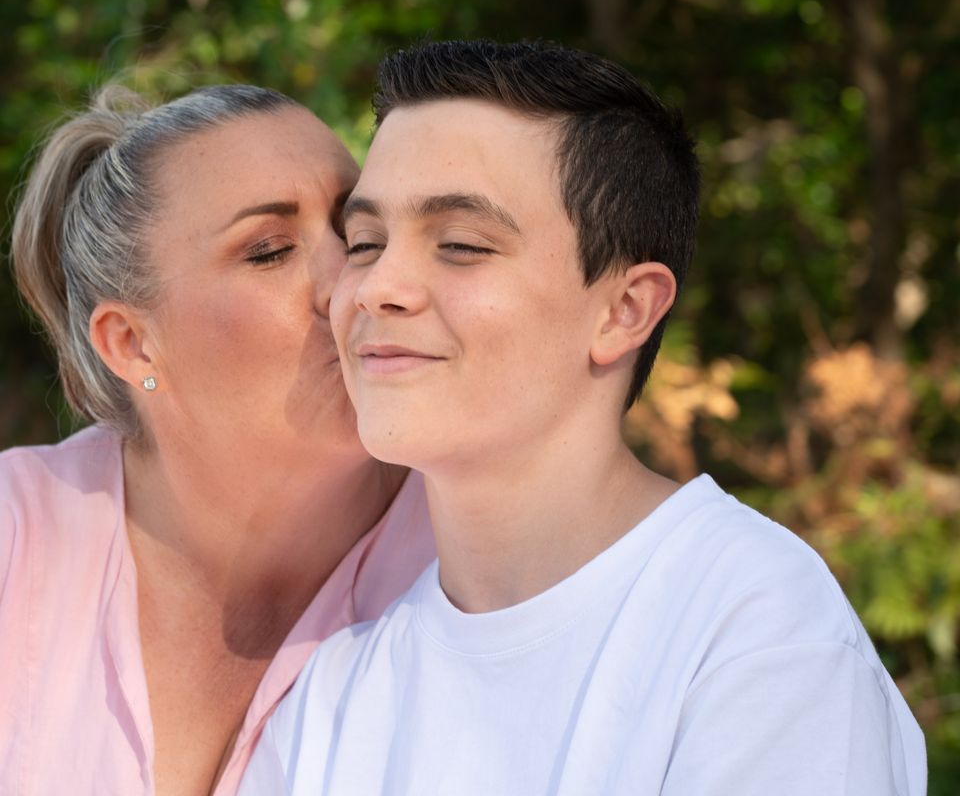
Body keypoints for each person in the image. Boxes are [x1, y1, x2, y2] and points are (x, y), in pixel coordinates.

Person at [240, 39, 926, 795]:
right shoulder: (330, 699)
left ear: (624, 310)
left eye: (461, 245)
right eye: (366, 243)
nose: (377, 288)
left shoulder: (754, 632)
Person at [0, 83, 435, 796]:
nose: (354, 285)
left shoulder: (483, 565)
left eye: (358, 234)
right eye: (269, 251)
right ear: (131, 343)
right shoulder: (17, 539)